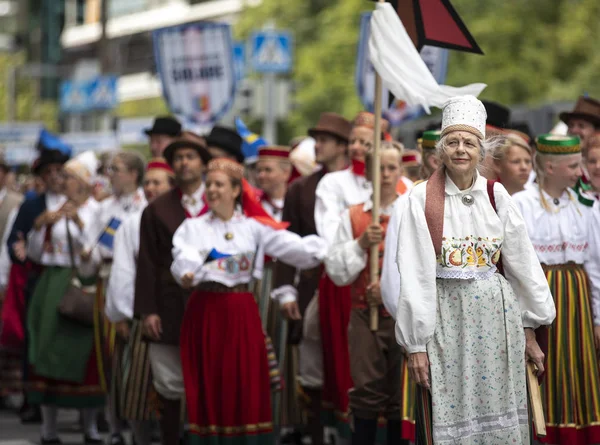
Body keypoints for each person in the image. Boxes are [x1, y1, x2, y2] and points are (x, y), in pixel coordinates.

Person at [395, 95, 555, 444]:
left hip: (497, 323)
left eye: (469, 142)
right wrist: (416, 344)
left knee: (498, 415)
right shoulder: (421, 200)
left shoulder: (497, 196)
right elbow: (416, 275)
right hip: (446, 323)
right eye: (452, 141)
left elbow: (523, 266)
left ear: (482, 151)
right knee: (451, 414)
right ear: (440, 150)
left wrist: (529, 332)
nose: (460, 149)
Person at [170, 157, 327, 445]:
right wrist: (187, 271)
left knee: (242, 380)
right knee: (209, 381)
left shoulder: (253, 227)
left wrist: (338, 244)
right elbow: (184, 255)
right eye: (209, 185)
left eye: (219, 185)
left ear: (235, 190)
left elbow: (298, 249)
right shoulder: (193, 227)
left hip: (241, 310)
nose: (212, 190)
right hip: (205, 309)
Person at [513, 134, 600, 444]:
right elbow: (516, 265)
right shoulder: (521, 203)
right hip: (542, 294)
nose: (581, 172)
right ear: (550, 166)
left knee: (578, 365)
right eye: (574, 166)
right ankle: (544, 431)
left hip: (576, 297)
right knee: (546, 366)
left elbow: (593, 263)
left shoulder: (585, 204)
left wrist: (598, 316)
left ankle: (579, 432)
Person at [271, 112, 352, 445]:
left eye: (324, 140)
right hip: (312, 284)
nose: (316, 145)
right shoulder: (301, 189)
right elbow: (286, 243)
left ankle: (350, 432)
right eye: (315, 139)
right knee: (311, 359)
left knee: (350, 360)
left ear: (342, 146)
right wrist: (286, 291)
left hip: (352, 286)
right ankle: (317, 433)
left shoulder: (363, 185)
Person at [325, 142, 411, 445]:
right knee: (366, 389)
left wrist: (390, 291)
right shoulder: (354, 216)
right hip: (365, 315)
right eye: (379, 168)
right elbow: (336, 270)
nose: (386, 175)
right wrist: (360, 244)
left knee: (400, 390)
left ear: (400, 170)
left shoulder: (412, 210)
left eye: (391, 168)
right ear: (368, 174)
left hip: (403, 315)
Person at [134, 136, 212, 445]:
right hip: (169, 305)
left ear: (203, 163)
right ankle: (170, 438)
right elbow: (148, 263)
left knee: (209, 379)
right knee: (168, 381)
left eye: (191, 156)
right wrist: (148, 310)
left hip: (212, 302)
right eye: (178, 158)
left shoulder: (221, 202)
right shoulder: (157, 209)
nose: (184, 162)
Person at [26, 151, 105, 444]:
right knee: (47, 348)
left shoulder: (98, 211)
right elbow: (37, 253)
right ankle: (49, 428)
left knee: (86, 351)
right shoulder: (56, 208)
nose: (63, 182)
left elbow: (98, 253)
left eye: (69, 177)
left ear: (84, 182)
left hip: (82, 282)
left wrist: (82, 226)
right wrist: (39, 227)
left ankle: (90, 426)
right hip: (52, 281)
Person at [105, 158, 175, 445]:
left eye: (157, 182)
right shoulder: (131, 224)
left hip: (175, 312)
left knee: (174, 381)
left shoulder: (185, 219)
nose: (150, 187)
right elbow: (122, 270)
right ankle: (140, 437)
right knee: (137, 382)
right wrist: (121, 313)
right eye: (147, 182)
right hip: (140, 311)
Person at [85, 151, 147, 445]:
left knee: (138, 356)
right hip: (108, 281)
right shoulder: (103, 208)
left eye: (117, 169)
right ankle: (113, 425)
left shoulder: (146, 204)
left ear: (134, 173)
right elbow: (91, 250)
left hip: (140, 283)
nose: (111, 175)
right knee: (110, 355)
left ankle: (141, 425)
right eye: (109, 169)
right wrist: (90, 253)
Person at [7, 148, 69, 424]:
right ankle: (33, 399)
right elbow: (15, 239)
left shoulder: (78, 202)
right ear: (42, 177)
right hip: (40, 276)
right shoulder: (32, 205)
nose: (55, 177)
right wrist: (21, 248)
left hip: (72, 278)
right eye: (49, 172)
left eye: (60, 171)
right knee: (35, 337)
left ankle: (79, 401)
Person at [256, 145, 292, 222]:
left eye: (268, 170)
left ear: (286, 173)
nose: (261, 175)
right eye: (259, 170)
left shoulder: (298, 204)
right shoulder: (253, 203)